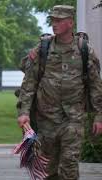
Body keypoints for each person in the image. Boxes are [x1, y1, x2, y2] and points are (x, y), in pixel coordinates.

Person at [17, 5, 102, 180]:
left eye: (59, 20)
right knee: (47, 169)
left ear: (70, 23)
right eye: (52, 20)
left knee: (69, 165)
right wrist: (24, 112)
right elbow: (29, 83)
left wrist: (98, 116)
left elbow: (95, 86)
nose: (54, 24)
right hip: (46, 119)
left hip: (73, 119)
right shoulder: (43, 49)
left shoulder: (84, 50)